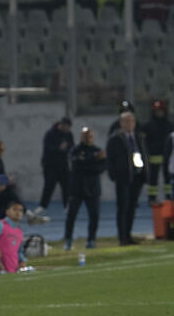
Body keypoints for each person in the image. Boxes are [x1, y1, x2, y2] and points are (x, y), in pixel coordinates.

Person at [106, 111, 147, 246]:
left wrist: (145, 172)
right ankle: (122, 237)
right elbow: (110, 158)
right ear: (121, 123)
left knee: (132, 207)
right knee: (123, 207)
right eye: (126, 121)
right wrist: (113, 174)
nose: (129, 124)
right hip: (123, 177)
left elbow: (143, 153)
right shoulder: (115, 138)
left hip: (137, 176)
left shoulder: (138, 137)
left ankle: (128, 235)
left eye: (131, 121)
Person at [64, 127, 107, 250]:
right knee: (71, 216)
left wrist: (87, 164)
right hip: (77, 188)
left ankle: (91, 239)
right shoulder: (75, 150)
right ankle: (68, 240)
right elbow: (76, 165)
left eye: (90, 136)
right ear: (81, 137)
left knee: (94, 216)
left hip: (93, 189)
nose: (88, 138)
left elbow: (101, 168)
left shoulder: (98, 150)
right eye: (86, 136)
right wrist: (94, 160)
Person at [33, 116, 74, 219]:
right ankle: (43, 206)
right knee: (48, 186)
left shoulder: (69, 134)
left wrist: (66, 149)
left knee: (67, 187)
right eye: (67, 127)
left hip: (63, 165)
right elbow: (48, 148)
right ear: (62, 125)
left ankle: (67, 206)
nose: (68, 129)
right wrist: (59, 148)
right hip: (50, 165)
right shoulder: (50, 134)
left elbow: (71, 147)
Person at [143, 99, 172, 203]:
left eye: (160, 111)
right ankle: (152, 198)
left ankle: (169, 197)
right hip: (153, 156)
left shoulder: (170, 125)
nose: (159, 113)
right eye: (157, 111)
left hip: (167, 157)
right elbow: (144, 141)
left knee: (168, 178)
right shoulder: (148, 125)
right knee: (153, 178)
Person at [0, 201, 27, 273]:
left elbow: (19, 251)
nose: (18, 212)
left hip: (13, 270)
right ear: (7, 212)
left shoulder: (19, 231)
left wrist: (22, 261)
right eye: (14, 209)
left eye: (20, 210)